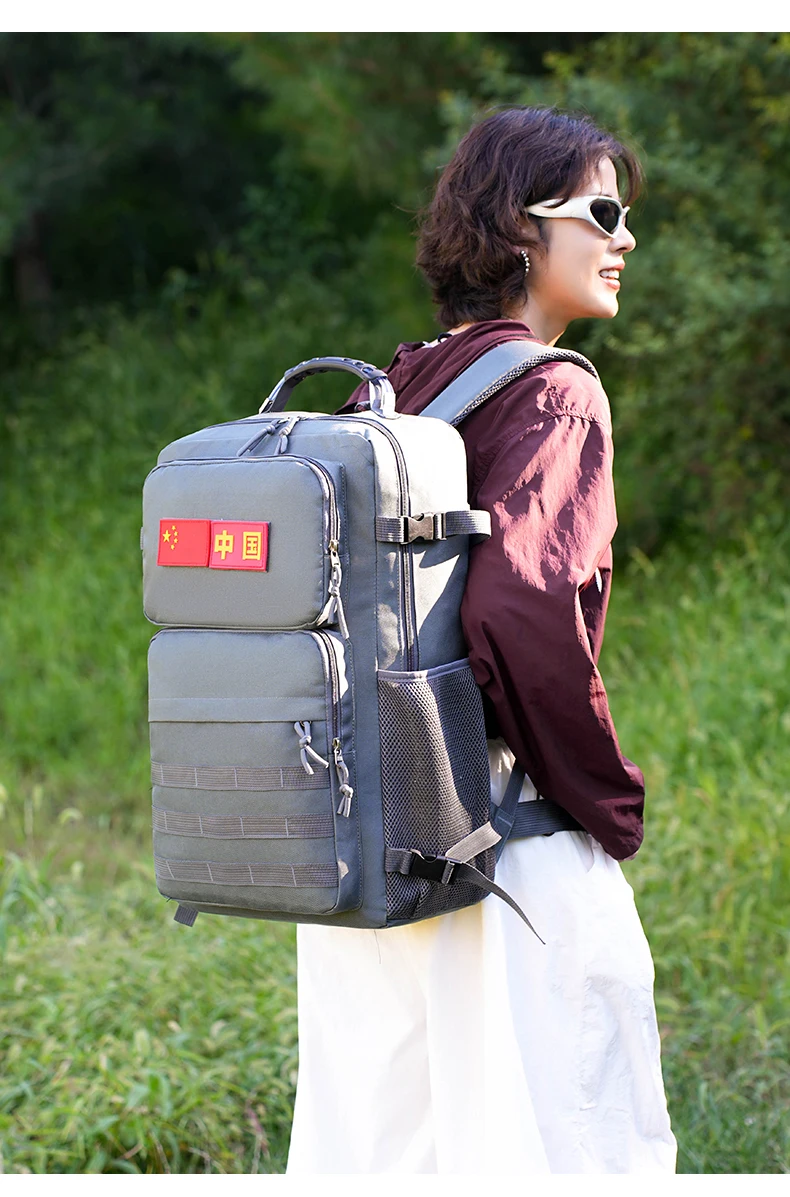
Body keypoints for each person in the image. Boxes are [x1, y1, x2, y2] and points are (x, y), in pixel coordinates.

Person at [286, 106, 677, 1175]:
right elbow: (524, 613)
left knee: (378, 1158)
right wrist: (606, 802)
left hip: (364, 845)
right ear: (518, 226)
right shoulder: (555, 392)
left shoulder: (389, 390)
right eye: (602, 213)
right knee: (569, 1150)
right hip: (505, 850)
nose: (625, 238)